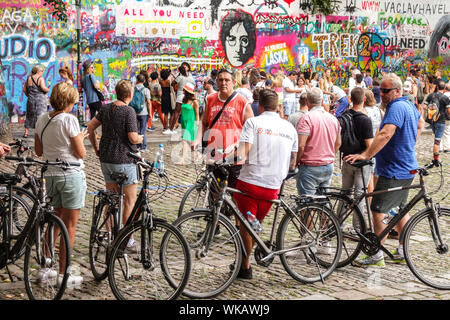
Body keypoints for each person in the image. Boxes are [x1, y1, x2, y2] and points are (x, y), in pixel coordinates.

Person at [344, 73, 425, 267]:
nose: (382, 93)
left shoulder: (396, 106)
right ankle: (402, 251)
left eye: (386, 90)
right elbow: (421, 124)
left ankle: (376, 255)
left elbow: (386, 133)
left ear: (397, 91)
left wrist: (366, 155)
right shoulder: (408, 105)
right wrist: (409, 142)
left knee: (378, 210)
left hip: (394, 168)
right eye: (380, 89)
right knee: (400, 210)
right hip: (407, 166)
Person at [232, 89, 298, 279]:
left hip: (250, 183)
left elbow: (242, 153)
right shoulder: (289, 128)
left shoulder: (253, 122)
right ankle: (244, 261)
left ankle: (244, 267)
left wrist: (221, 158)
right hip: (273, 186)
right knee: (253, 225)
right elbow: (293, 161)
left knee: (246, 227)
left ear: (259, 106)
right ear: (277, 107)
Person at [34, 82, 88, 287]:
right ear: (69, 101)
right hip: (71, 175)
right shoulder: (69, 120)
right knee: (70, 226)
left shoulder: (42, 119)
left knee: (55, 221)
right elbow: (80, 153)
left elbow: (39, 151)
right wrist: (81, 138)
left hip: (51, 176)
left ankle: (46, 267)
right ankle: (64, 274)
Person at [87, 79, 143, 250]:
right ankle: (128, 239)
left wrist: (96, 148)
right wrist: (141, 138)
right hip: (125, 160)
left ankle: (110, 234)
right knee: (129, 201)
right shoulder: (129, 111)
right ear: (130, 95)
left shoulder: (105, 109)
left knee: (111, 199)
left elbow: (90, 127)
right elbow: (133, 137)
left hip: (107, 159)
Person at [196, 69, 254, 188]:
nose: (223, 83)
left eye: (227, 80)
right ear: (216, 82)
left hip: (234, 156)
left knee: (232, 193)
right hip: (213, 154)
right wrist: (197, 139)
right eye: (220, 80)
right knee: (213, 191)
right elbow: (204, 123)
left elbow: (251, 130)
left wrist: (238, 144)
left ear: (233, 82)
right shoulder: (210, 99)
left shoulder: (243, 102)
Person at [296, 87, 341, 195]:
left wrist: (296, 161)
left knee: (306, 204)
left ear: (307, 102)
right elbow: (338, 143)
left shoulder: (306, 118)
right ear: (321, 101)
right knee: (323, 203)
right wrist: (330, 155)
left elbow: (301, 145)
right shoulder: (333, 119)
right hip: (328, 165)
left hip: (309, 166)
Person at [340, 88, 374, 220]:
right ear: (364, 99)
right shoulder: (365, 120)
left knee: (344, 194)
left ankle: (339, 224)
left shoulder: (344, 116)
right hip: (361, 161)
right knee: (359, 196)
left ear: (350, 99)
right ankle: (358, 228)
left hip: (347, 159)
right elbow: (370, 146)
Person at [424, 80, 450, 160]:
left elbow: (424, 106)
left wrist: (431, 110)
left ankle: (439, 150)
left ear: (437, 87)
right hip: (441, 120)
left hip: (432, 120)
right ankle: (436, 158)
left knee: (437, 136)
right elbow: (449, 111)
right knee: (437, 139)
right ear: (444, 88)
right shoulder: (445, 98)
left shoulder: (431, 95)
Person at [175, 83, 199, 165]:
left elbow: (197, 113)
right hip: (184, 122)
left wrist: (197, 123)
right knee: (191, 143)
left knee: (185, 141)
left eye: (185, 90)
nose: (183, 91)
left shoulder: (194, 101)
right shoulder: (184, 99)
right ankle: (198, 155)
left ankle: (182, 160)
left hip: (191, 123)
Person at [22, 65, 49, 138]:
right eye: (42, 71)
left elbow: (24, 89)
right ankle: (39, 133)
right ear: (39, 71)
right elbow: (43, 88)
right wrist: (48, 90)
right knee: (41, 116)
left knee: (29, 115)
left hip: (30, 100)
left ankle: (26, 133)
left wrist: (29, 95)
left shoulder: (28, 78)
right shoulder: (40, 78)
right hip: (40, 100)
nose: (43, 73)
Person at [170, 63, 195, 133]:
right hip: (189, 96)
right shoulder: (190, 77)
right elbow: (193, 85)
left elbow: (172, 84)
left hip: (180, 95)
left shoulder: (180, 77)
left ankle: (171, 128)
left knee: (176, 112)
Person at [134, 74, 151, 152]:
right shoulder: (146, 90)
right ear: (144, 81)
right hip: (143, 112)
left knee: (135, 129)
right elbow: (148, 102)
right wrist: (150, 113)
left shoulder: (132, 89)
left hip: (134, 112)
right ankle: (143, 147)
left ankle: (136, 146)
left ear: (136, 80)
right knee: (142, 130)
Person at [160, 68, 174, 133]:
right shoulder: (169, 81)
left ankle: (165, 128)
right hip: (170, 98)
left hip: (163, 97)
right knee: (171, 113)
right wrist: (172, 74)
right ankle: (170, 128)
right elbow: (176, 81)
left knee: (165, 114)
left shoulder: (161, 81)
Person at [442, 82, 450, 153]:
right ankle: (447, 147)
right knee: (447, 132)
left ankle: (440, 147)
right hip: (449, 116)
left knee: (441, 131)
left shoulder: (443, 96)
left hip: (443, 116)